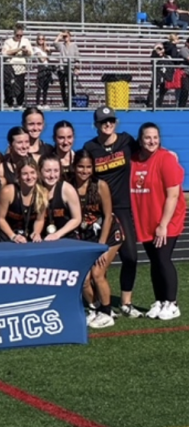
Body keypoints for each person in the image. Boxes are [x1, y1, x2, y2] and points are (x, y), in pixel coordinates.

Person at [83, 106, 142, 318]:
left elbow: (145, 152)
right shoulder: (90, 147)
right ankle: (101, 303)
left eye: (111, 121)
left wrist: (166, 152)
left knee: (130, 256)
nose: (108, 124)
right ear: (96, 125)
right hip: (98, 210)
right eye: (103, 122)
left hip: (123, 207)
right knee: (100, 260)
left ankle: (126, 302)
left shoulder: (126, 140)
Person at [131, 122, 186, 321]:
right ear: (140, 139)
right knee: (154, 261)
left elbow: (172, 195)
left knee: (163, 259)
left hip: (167, 220)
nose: (152, 141)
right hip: (147, 219)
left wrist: (163, 224)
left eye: (155, 137)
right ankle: (160, 300)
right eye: (147, 137)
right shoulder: (134, 160)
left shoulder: (166, 159)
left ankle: (172, 303)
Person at [70, 150, 122, 329]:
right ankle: (96, 308)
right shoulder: (68, 186)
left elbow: (108, 216)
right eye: (80, 167)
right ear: (74, 167)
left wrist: (102, 245)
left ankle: (107, 313)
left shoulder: (100, 185)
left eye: (88, 167)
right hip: (86, 237)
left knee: (98, 273)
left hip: (108, 235)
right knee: (83, 278)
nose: (84, 171)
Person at [0, 157, 47, 243]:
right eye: (25, 174)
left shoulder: (42, 193)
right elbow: (0, 218)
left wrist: (36, 232)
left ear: (37, 174)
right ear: (18, 176)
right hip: (8, 238)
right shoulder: (8, 192)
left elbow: (40, 220)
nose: (29, 177)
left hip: (27, 239)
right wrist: (13, 236)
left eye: (32, 173)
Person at [39, 155, 82, 240]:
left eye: (56, 171)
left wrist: (57, 235)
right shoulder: (35, 189)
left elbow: (76, 219)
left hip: (66, 238)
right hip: (42, 239)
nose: (52, 175)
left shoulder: (67, 190)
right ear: (40, 171)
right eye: (48, 171)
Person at [1, 24, 32, 109]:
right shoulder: (8, 41)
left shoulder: (26, 41)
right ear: (14, 34)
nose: (19, 37)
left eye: (21, 35)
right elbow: (5, 53)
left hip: (21, 66)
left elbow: (31, 53)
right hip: (10, 66)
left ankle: (19, 104)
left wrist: (26, 52)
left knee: (20, 86)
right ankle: (10, 103)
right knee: (8, 85)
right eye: (17, 35)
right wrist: (18, 49)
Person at [53, 30, 80, 107]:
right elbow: (54, 43)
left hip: (70, 67)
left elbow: (77, 57)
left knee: (70, 86)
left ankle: (73, 102)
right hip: (62, 67)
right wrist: (60, 35)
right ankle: (65, 102)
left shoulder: (74, 45)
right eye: (64, 37)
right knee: (62, 86)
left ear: (70, 37)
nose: (65, 38)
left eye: (66, 36)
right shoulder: (61, 45)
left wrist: (77, 68)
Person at [33, 34, 54, 108]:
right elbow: (41, 59)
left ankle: (44, 102)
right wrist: (47, 54)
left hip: (47, 67)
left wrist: (47, 51)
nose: (41, 40)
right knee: (39, 86)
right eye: (39, 39)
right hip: (41, 67)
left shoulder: (46, 48)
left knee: (46, 86)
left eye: (42, 39)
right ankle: (38, 103)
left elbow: (50, 57)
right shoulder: (36, 48)